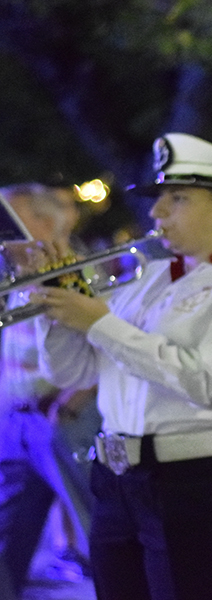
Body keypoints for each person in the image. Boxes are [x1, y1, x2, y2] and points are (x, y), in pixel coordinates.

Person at [30, 132, 212, 600]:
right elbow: (75, 373)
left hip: (198, 478)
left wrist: (99, 323)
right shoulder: (151, 276)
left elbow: (208, 383)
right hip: (117, 477)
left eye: (178, 199)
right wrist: (58, 309)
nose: (157, 213)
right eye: (162, 198)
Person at [0, 183, 96, 599]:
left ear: (40, 223)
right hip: (16, 416)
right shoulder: (16, 273)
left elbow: (99, 347)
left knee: (100, 523)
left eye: (10, 218)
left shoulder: (82, 270)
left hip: (61, 416)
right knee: (9, 532)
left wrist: (67, 407)